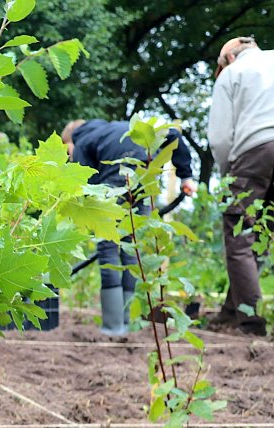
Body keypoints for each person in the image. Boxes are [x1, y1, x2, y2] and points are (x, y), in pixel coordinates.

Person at [62, 118, 196, 336]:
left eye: (67, 150)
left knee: (107, 249)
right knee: (131, 250)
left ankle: (113, 327)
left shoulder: (83, 139)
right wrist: (186, 176)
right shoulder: (127, 127)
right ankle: (129, 325)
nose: (69, 155)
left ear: (71, 137)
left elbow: (85, 185)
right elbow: (172, 133)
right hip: (141, 186)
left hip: (112, 188)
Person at [207, 36, 274, 336]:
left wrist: (228, 176)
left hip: (255, 151)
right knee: (264, 233)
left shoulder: (231, 74)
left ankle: (252, 326)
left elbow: (220, 138)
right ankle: (231, 311)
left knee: (240, 236)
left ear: (229, 59)